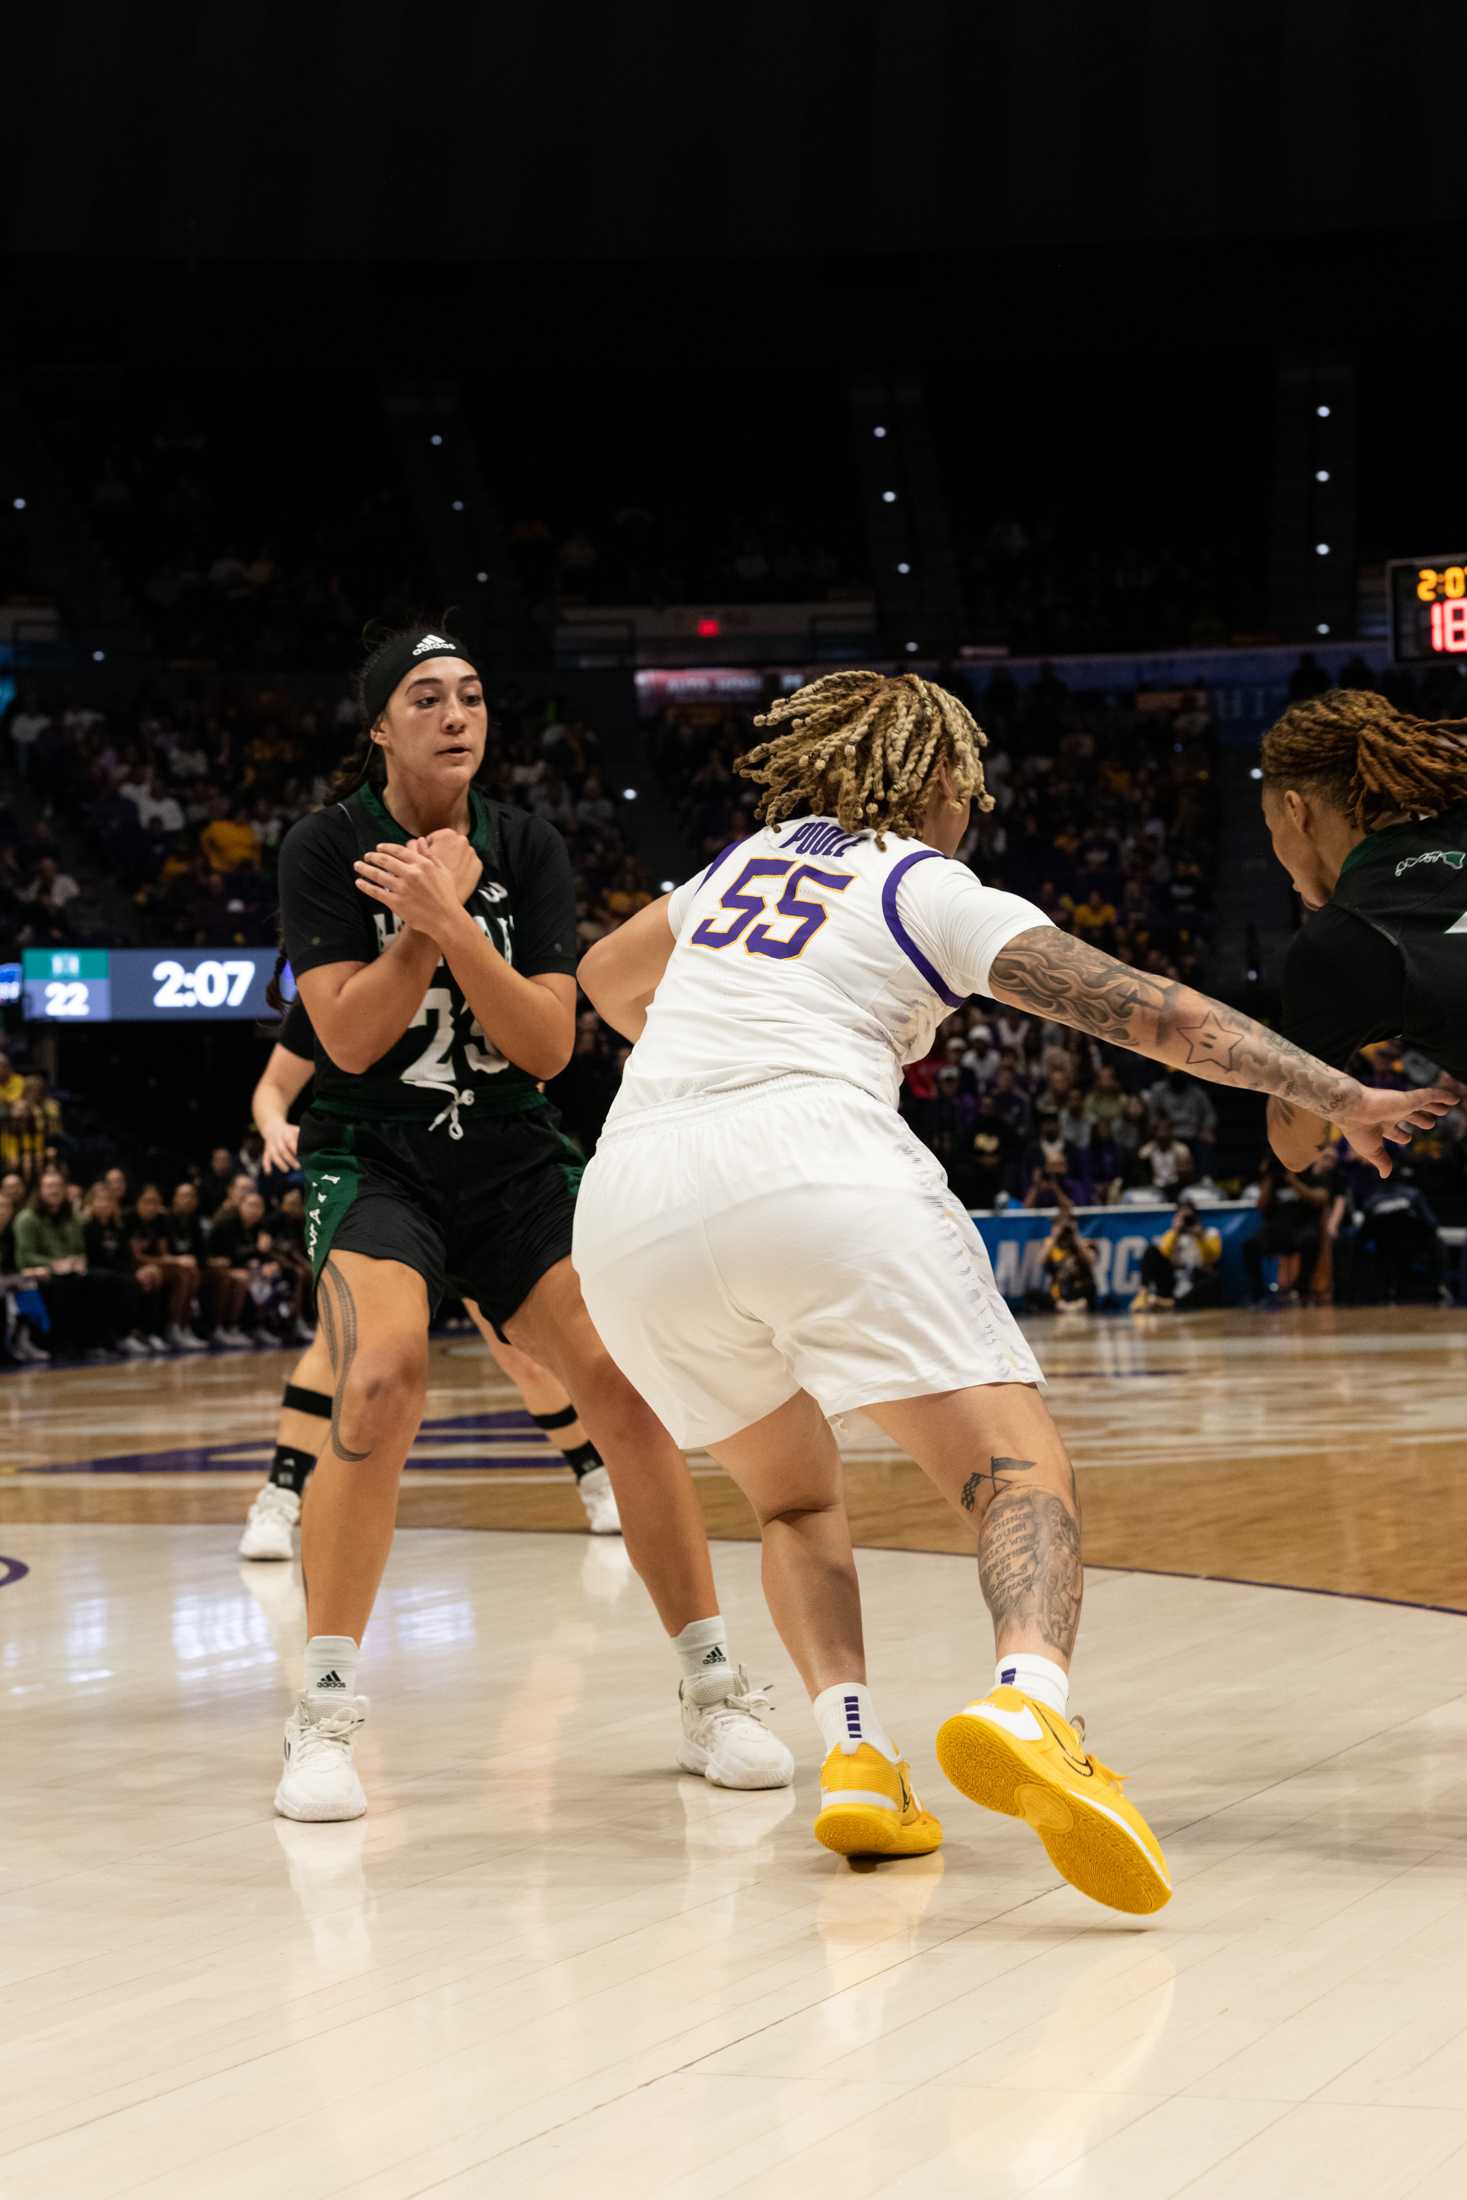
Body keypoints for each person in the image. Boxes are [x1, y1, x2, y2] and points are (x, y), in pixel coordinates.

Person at [572, 667, 1448, 1915]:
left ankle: (860, 1754)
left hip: (633, 1201)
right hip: (815, 1159)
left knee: (791, 1505)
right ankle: (1032, 1705)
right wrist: (1334, 1091)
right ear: (937, 781)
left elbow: (607, 981)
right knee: (1017, 1468)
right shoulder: (917, 880)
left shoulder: (738, 865)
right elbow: (1150, 1015)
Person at [272, 621, 789, 1819]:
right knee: (383, 1375)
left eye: (472, 695)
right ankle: (326, 1711)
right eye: (426, 697)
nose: (457, 715)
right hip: (374, 1160)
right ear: (378, 725)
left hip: (513, 1160)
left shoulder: (531, 846)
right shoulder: (326, 846)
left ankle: (712, 1687)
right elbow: (346, 1037)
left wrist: (453, 921)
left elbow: (550, 1045)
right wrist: (420, 921)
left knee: (621, 1377)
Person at [238, 991, 622, 1559]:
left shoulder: (485, 960)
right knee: (340, 1346)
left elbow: (535, 1069)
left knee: (521, 1352)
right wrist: (274, 1126)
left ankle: (594, 1479)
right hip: (386, 1183)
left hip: (482, 1182)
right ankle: (279, 1497)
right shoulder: (335, 987)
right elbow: (273, 1087)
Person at [1259, 688, 1467, 1176]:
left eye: (1271, 829)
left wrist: (1341, 1103)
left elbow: (1294, 1146)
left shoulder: (1342, 941)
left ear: (1295, 810)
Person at [1132, 1199, 1223, 1312]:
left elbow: (1212, 1258)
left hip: (1197, 1277)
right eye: (1183, 1218)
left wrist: (1200, 1236)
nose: (1186, 1222)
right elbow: (1164, 1252)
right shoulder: (1172, 1234)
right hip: (1174, 1277)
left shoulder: (1210, 1233)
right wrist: (1176, 1232)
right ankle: (1143, 1294)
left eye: (1189, 1218)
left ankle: (1171, 1304)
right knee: (1151, 1251)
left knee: (1215, 1278)